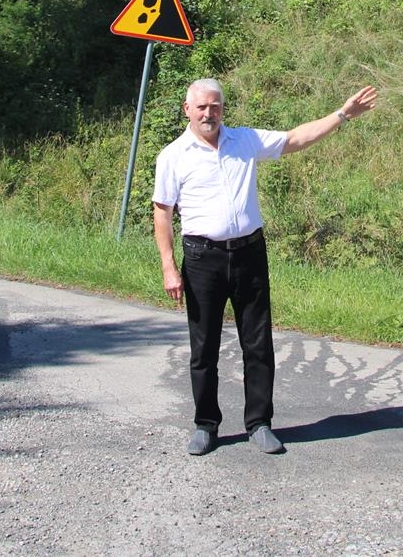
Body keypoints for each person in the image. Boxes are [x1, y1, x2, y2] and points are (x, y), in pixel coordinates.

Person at [153, 77, 379, 456]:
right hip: (202, 259)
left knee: (258, 344)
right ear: (187, 110)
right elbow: (163, 214)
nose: (210, 113)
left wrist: (342, 114)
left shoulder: (245, 141)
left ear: (223, 108)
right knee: (204, 348)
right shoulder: (173, 156)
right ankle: (205, 425)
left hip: (249, 256)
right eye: (202, 107)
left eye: (216, 106)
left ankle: (259, 423)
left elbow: (295, 139)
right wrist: (168, 267)